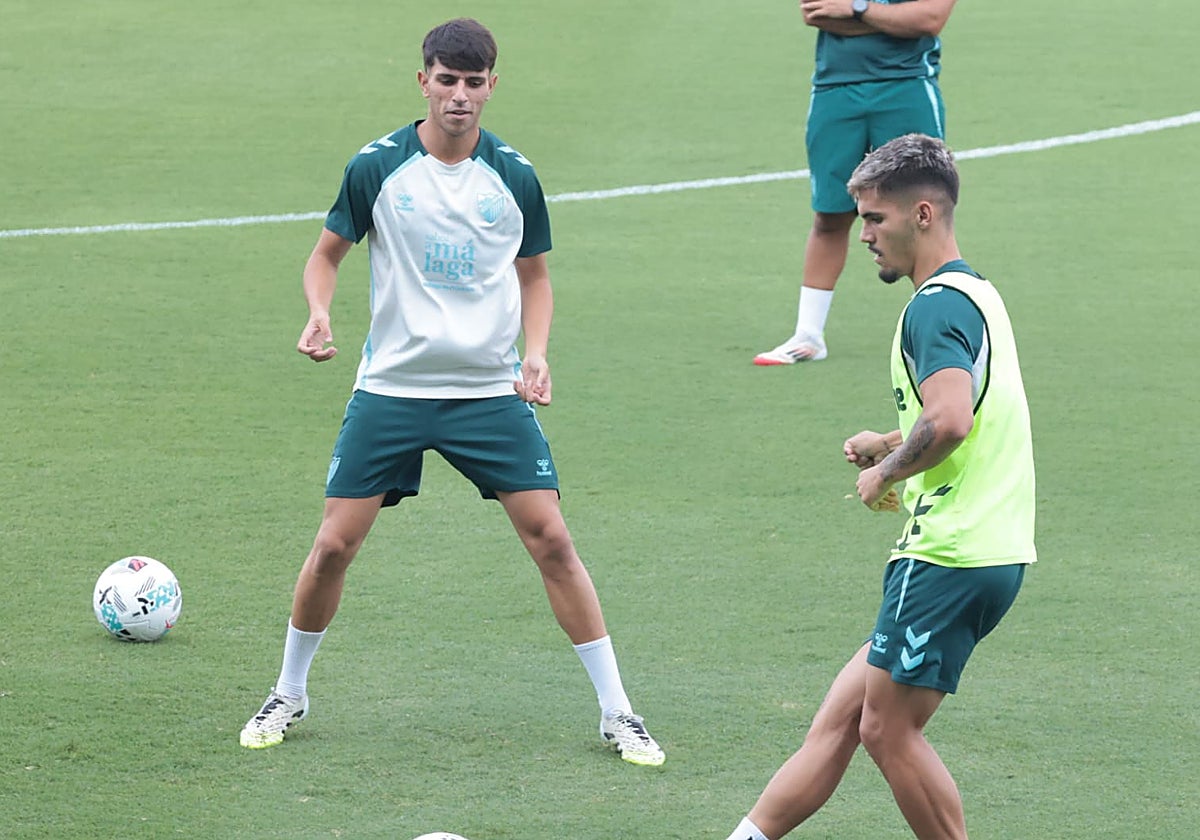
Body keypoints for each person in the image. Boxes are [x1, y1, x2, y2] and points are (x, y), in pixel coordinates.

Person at [238, 18, 664, 768]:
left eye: (473, 83)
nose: (459, 96)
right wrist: (316, 311)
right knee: (335, 543)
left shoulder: (514, 176)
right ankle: (289, 691)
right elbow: (325, 255)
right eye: (446, 79)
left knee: (554, 542)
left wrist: (536, 355)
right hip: (392, 388)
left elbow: (535, 276)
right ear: (423, 81)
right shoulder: (377, 167)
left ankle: (617, 711)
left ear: (491, 86)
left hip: (486, 393)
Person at [726, 134, 1036, 839]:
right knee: (841, 719)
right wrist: (891, 438)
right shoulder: (974, 293)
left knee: (887, 731)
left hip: (950, 553)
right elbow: (970, 407)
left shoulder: (933, 308)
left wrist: (885, 472)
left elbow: (953, 420)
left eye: (874, 219)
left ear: (922, 214)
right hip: (989, 547)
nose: (862, 234)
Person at [753, 0, 958, 365]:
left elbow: (929, 18)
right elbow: (815, 13)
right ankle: (809, 335)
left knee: (925, 213)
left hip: (907, 86)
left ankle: (943, 325)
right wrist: (893, 20)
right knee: (830, 214)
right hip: (836, 90)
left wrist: (854, 9)